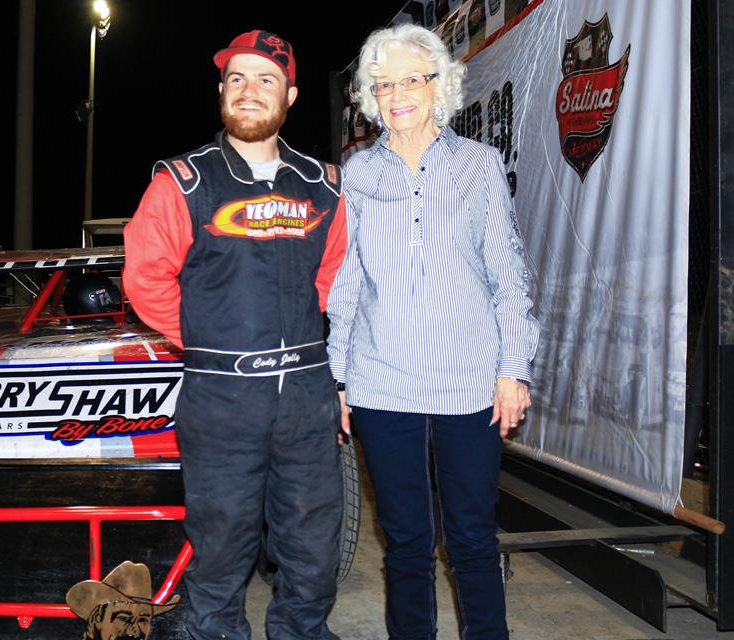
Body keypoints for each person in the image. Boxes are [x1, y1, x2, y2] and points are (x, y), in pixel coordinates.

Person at [123, 30, 349, 640]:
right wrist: (211, 342)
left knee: (313, 545)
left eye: (266, 80)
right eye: (237, 79)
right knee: (220, 545)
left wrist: (303, 347)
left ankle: (301, 631)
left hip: (306, 397)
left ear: (291, 95)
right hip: (219, 399)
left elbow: (333, 277)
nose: (250, 92)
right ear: (221, 90)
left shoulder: (324, 185)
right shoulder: (181, 182)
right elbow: (146, 282)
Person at [327, 23, 539, 640]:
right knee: (406, 543)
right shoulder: (358, 175)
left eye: (409, 80)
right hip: (382, 383)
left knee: (472, 536)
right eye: (382, 83)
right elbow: (348, 282)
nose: (396, 94)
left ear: (437, 85)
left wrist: (513, 369)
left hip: (469, 380)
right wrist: (338, 377)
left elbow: (509, 273)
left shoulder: (479, 166)